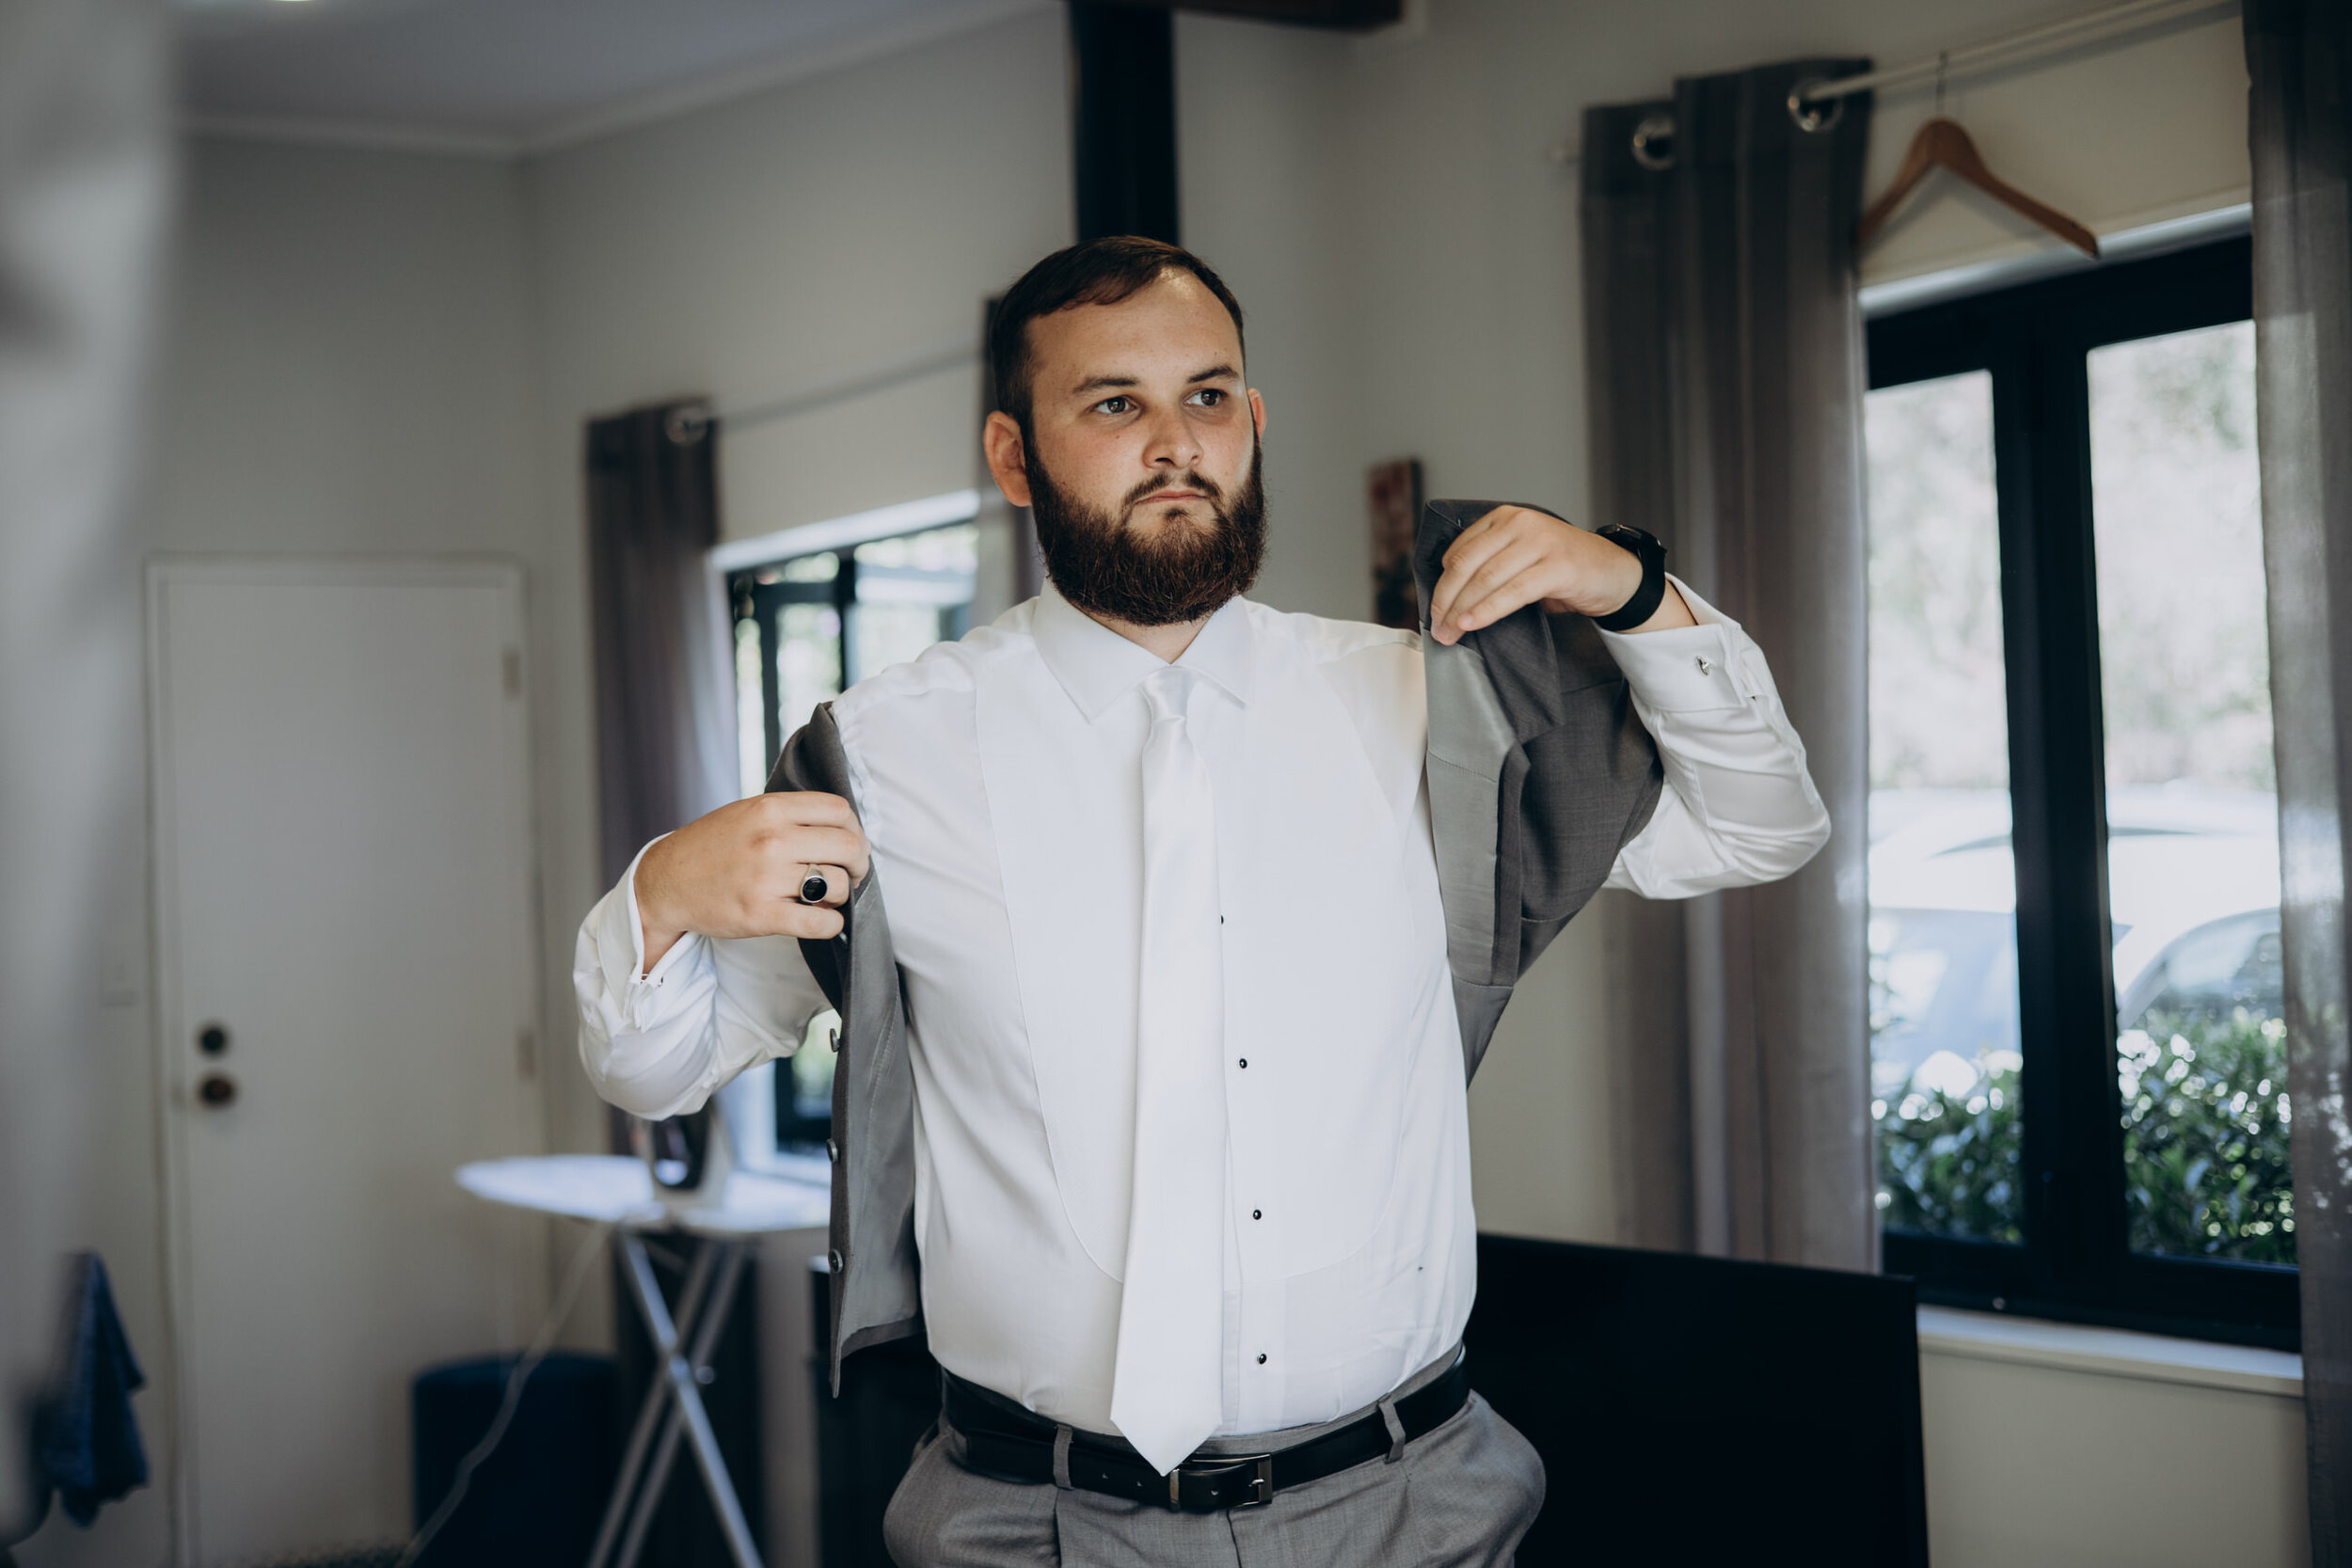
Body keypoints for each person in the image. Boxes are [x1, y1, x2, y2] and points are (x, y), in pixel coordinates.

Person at [575, 236, 1829, 1567]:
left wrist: (1635, 594)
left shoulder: (1442, 715)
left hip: (1413, 1514)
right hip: (1029, 1523)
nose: (1176, 441)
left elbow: (1763, 828)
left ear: (1254, 422)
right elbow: (657, 1067)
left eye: (1210, 396)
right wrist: (657, 895)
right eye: (1115, 403)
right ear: (1014, 456)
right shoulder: (879, 760)